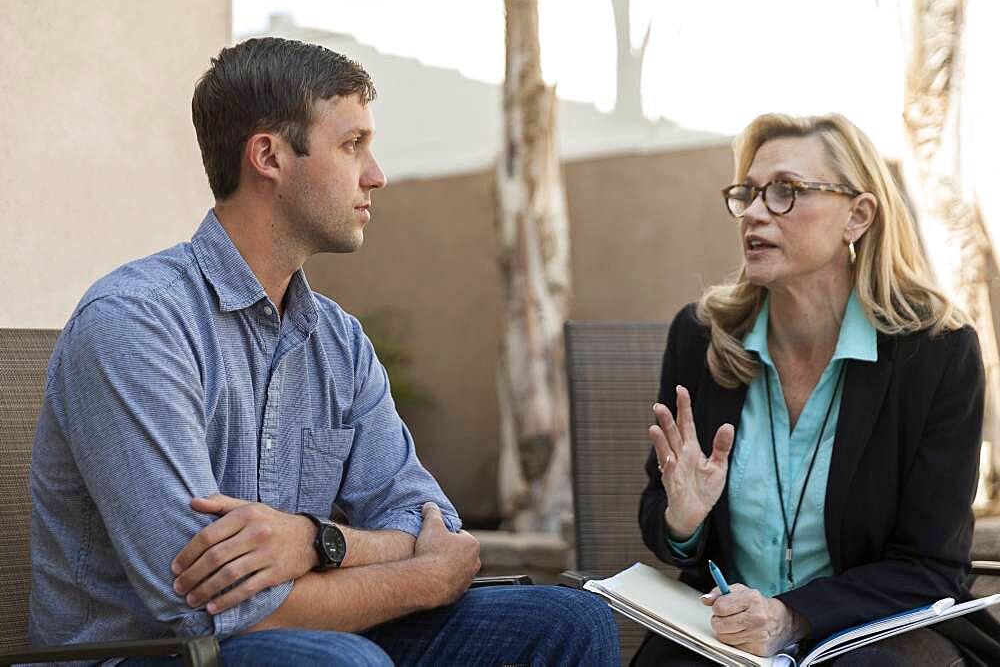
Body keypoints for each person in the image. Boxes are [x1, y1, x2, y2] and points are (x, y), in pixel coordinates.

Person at [29, 37, 618, 666]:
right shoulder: (136, 323)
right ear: (269, 156)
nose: (377, 174)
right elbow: (208, 605)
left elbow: (436, 527)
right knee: (345, 663)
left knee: (572, 622)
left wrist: (317, 543)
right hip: (152, 656)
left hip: (302, 633)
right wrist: (422, 577)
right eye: (351, 144)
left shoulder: (338, 342)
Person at [634, 113, 1000, 666]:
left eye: (785, 192)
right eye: (748, 193)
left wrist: (791, 617)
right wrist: (683, 521)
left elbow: (930, 564)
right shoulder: (702, 338)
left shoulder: (936, 355)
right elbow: (662, 515)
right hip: (726, 636)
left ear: (858, 215)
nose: (755, 212)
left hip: (873, 634)